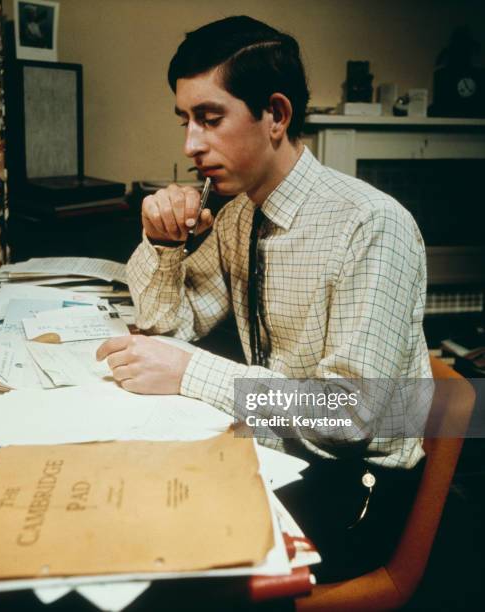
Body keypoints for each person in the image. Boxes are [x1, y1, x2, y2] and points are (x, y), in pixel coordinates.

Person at [97, 16, 432, 581]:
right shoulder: (239, 218)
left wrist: (188, 373)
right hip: (280, 457)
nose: (190, 145)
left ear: (275, 115)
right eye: (185, 121)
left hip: (358, 493)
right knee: (121, 510)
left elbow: (348, 417)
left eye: (210, 118)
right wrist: (163, 243)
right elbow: (164, 326)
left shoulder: (371, 224)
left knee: (161, 568)